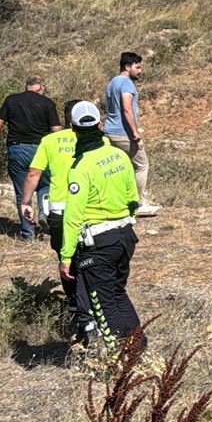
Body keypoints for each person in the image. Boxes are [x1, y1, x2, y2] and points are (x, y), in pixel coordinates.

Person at [60, 101, 142, 348]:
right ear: (100, 124)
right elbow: (133, 198)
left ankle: (120, 361)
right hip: (125, 236)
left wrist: (66, 257)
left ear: (72, 127)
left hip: (98, 243)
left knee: (103, 303)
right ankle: (138, 349)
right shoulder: (119, 155)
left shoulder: (80, 167)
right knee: (118, 293)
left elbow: (73, 215)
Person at [20, 99, 87, 339]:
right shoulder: (96, 139)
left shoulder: (50, 141)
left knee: (66, 259)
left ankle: (74, 305)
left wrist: (26, 203)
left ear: (67, 120)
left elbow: (34, 173)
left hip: (61, 210)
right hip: (90, 210)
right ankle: (92, 304)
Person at [0, 76, 61, 241]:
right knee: (45, 186)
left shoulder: (11, 101)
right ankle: (44, 215)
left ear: (27, 87)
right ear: (41, 87)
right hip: (41, 150)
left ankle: (27, 234)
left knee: (22, 193)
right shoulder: (47, 103)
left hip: (17, 149)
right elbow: (56, 130)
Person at [104, 51, 159, 217]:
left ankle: (118, 201)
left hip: (110, 132)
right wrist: (135, 132)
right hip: (124, 133)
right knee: (142, 165)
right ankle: (138, 203)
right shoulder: (126, 84)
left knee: (120, 169)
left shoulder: (112, 83)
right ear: (128, 66)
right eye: (138, 67)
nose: (140, 71)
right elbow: (127, 108)